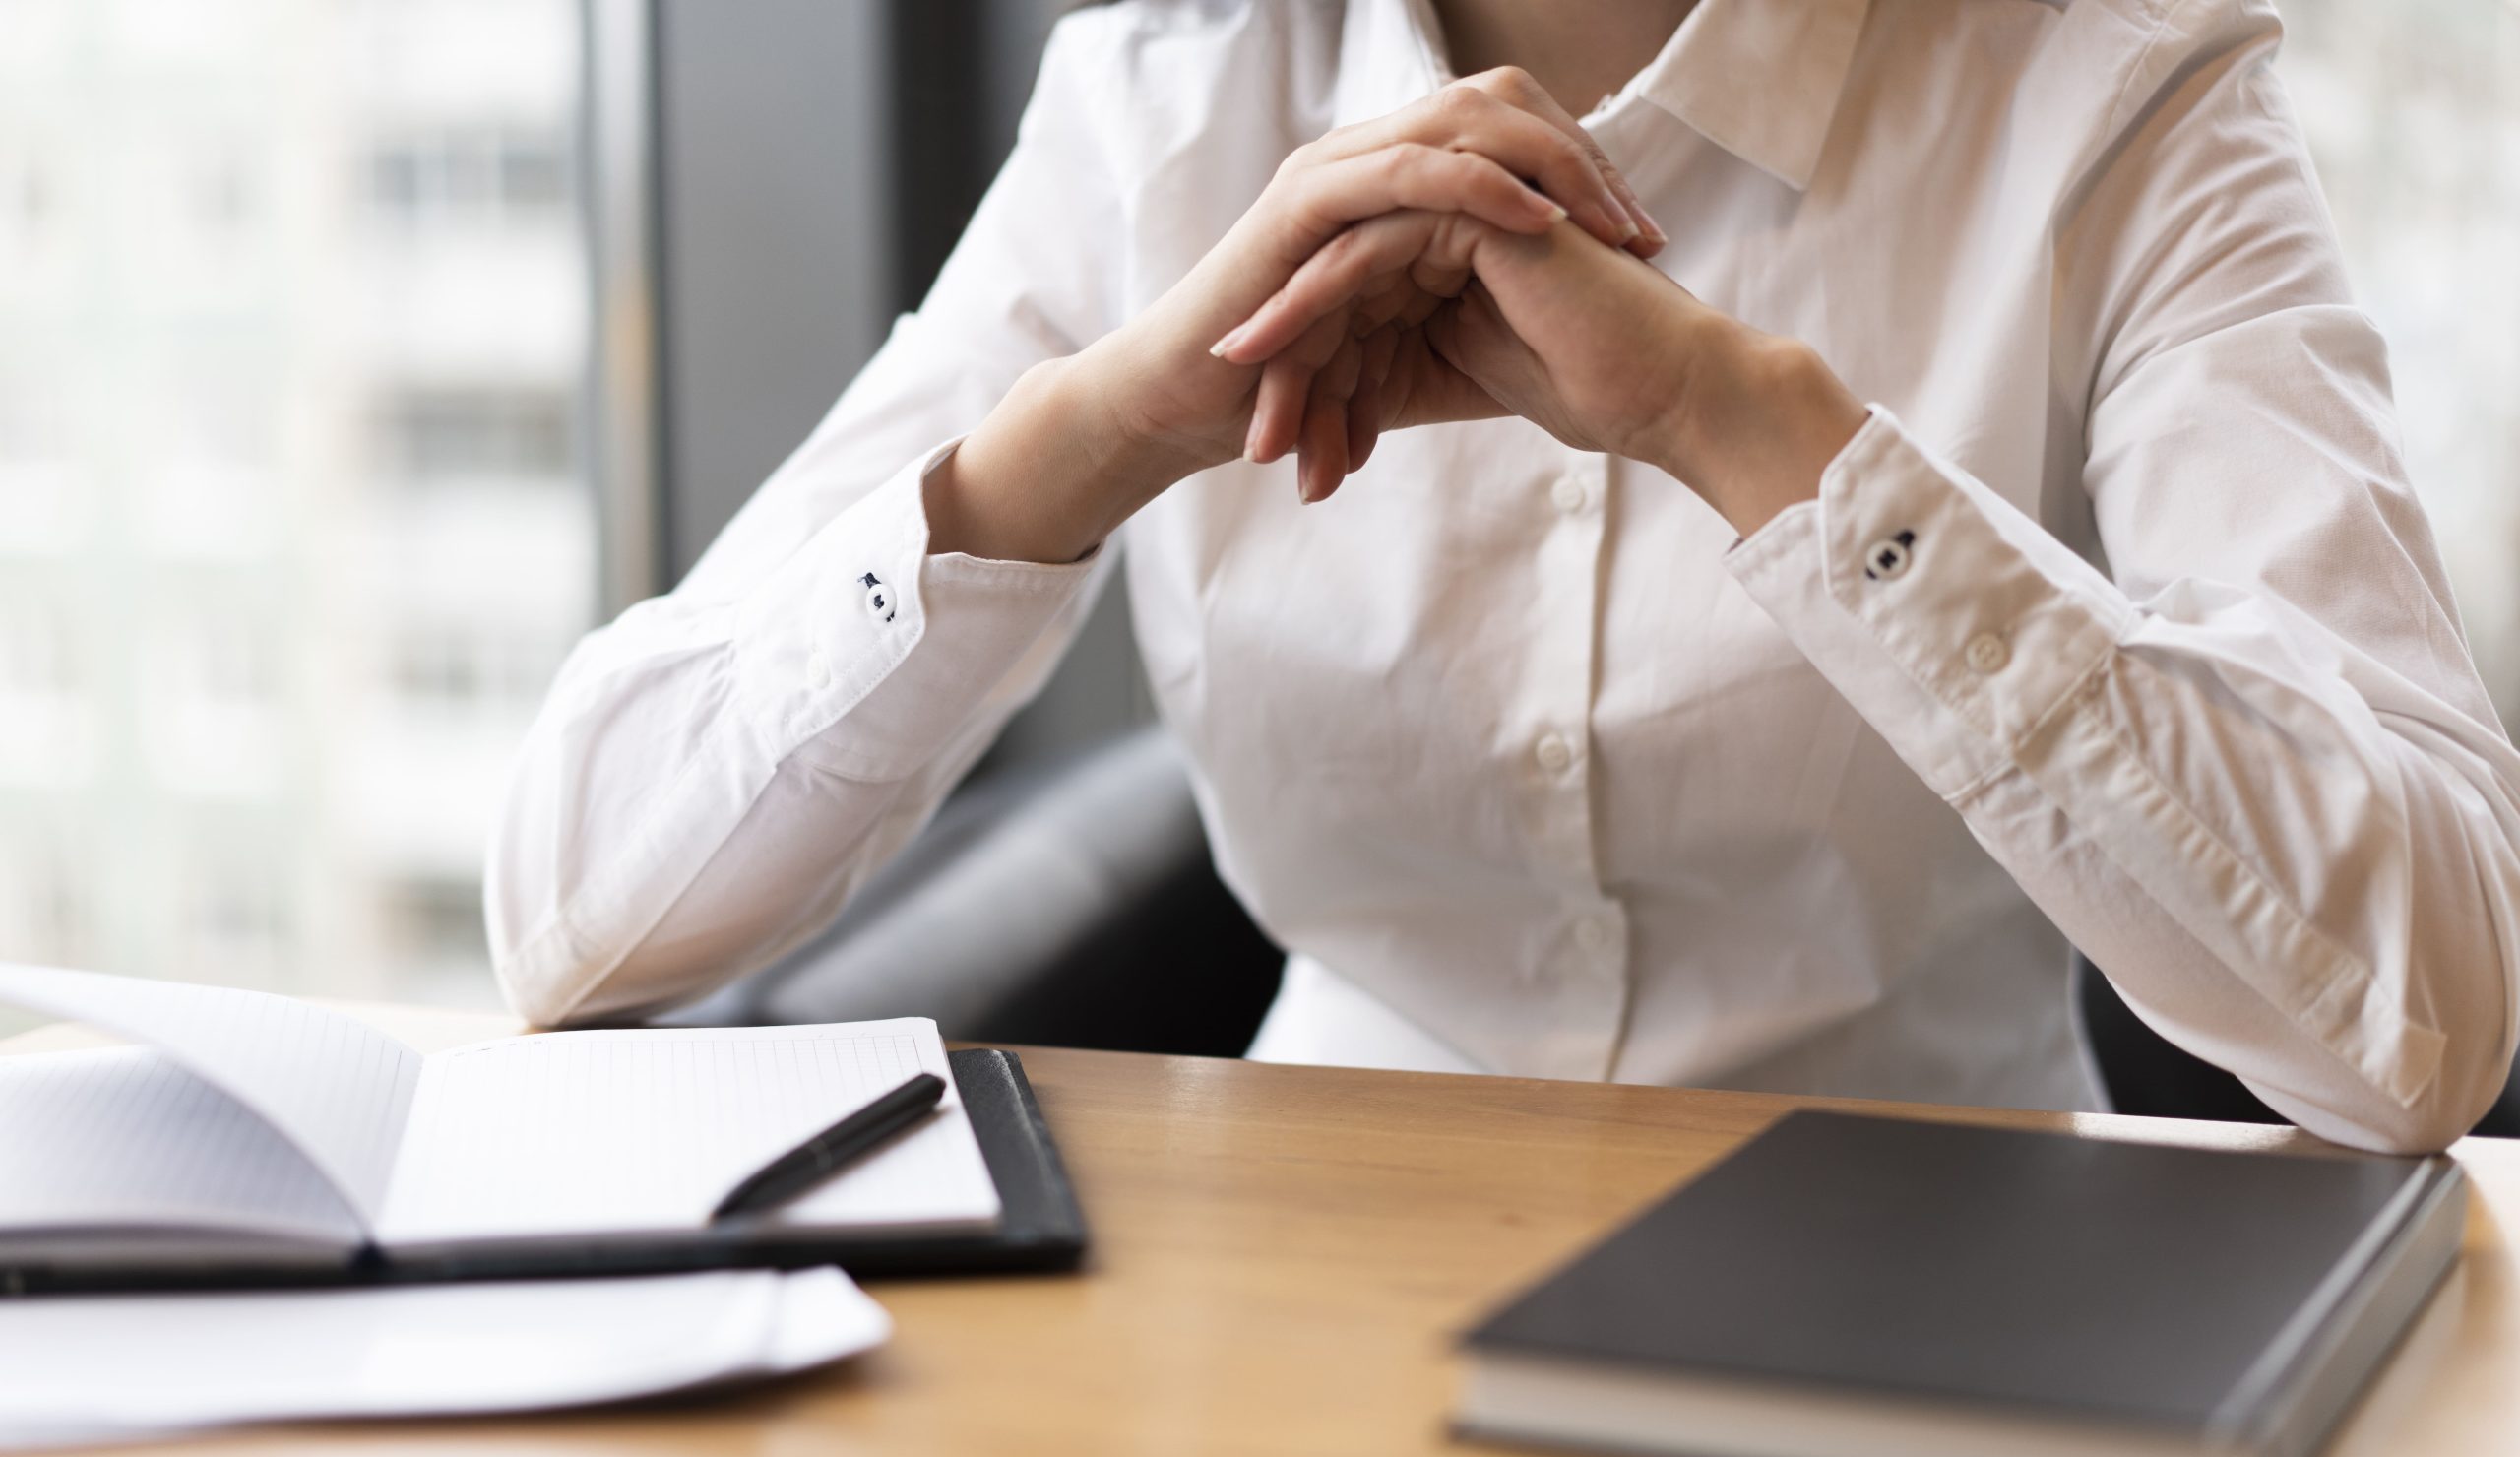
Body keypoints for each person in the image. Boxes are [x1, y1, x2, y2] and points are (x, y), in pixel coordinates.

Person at [487, 0, 2520, 1154]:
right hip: (1293, 1328)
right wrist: (1083, 437)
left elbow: (2421, 1014)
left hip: (1953, 1271)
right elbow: (575, 908)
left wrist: (1760, 437)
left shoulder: (2114, 87)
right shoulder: (1161, 91)